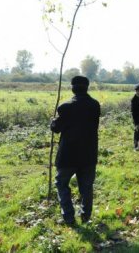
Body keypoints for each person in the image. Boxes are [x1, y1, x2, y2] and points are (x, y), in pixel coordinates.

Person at [50, 76, 100, 225]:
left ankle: (69, 216)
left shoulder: (65, 107)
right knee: (86, 186)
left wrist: (53, 122)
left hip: (68, 155)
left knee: (61, 184)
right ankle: (85, 216)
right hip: (88, 154)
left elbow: (56, 129)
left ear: (72, 88)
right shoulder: (95, 105)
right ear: (87, 87)